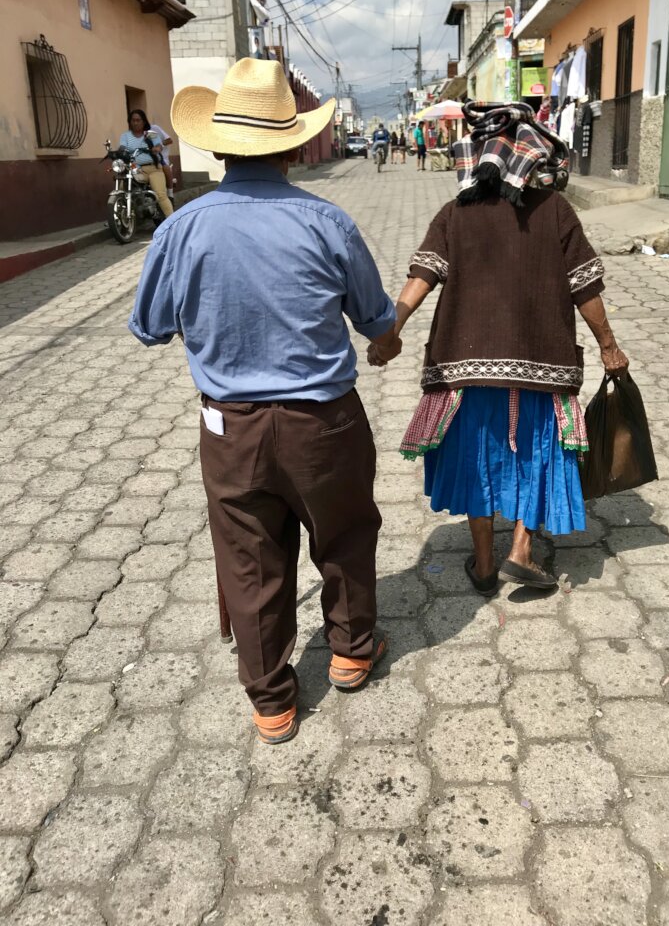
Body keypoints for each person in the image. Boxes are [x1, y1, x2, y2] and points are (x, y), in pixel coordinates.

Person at [128, 59, 401, 744]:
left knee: (249, 559)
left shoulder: (182, 229)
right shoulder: (327, 223)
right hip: (326, 423)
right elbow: (375, 320)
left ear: (219, 145)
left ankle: (272, 700)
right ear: (292, 145)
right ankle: (349, 651)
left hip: (231, 429)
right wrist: (385, 343)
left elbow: (150, 327)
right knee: (342, 534)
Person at [371, 101, 628, 594]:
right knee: (537, 451)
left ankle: (485, 563)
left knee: (476, 457)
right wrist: (609, 346)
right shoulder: (555, 210)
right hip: (541, 364)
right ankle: (522, 550)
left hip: (463, 367)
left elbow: (420, 279)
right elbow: (585, 288)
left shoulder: (454, 214)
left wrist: (391, 332)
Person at [119, 110, 173, 219]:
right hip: (137, 169)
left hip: (154, 169)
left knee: (160, 194)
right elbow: (122, 147)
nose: (135, 123)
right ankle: (118, 216)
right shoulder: (125, 136)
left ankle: (173, 221)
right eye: (133, 120)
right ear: (129, 122)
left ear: (144, 122)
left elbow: (159, 145)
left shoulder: (151, 134)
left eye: (138, 120)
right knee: (122, 187)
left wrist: (157, 148)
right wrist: (120, 151)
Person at [150, 120, 175, 200]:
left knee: (166, 168)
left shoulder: (154, 128)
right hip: (146, 159)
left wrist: (159, 145)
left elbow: (169, 140)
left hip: (160, 157)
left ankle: (170, 193)